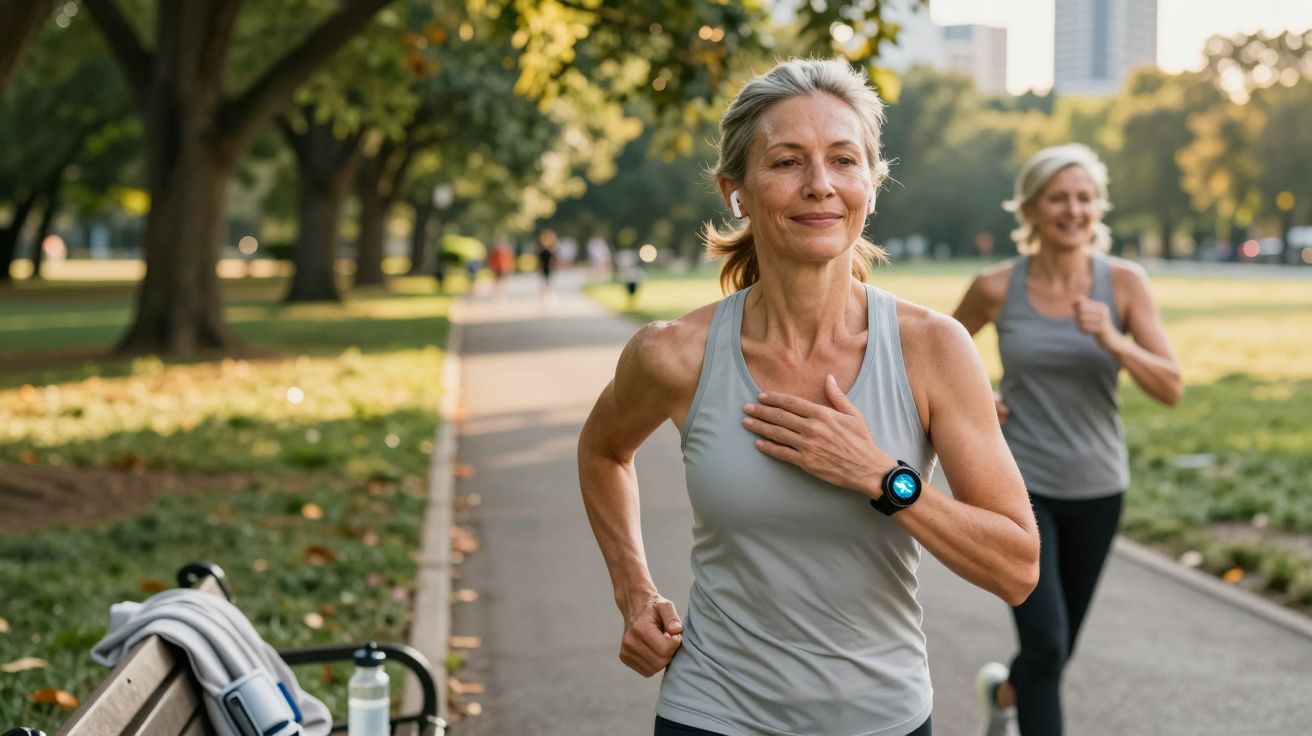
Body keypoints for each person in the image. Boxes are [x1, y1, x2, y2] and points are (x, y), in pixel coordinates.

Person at [577, 58, 1041, 736]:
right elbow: (601, 451)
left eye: (843, 160)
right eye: (788, 162)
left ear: (872, 185)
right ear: (737, 189)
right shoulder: (673, 352)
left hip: (881, 717)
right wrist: (633, 590)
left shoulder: (933, 349)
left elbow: (1017, 566)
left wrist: (881, 476)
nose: (820, 186)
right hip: (712, 711)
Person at [952, 143, 1182, 736]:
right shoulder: (996, 287)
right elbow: (934, 356)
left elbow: (1171, 387)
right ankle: (1017, 696)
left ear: (1098, 207)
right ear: (1029, 208)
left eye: (1084, 197)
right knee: (1048, 644)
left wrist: (1117, 342)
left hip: (1100, 487)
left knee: (1055, 650)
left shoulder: (1124, 284)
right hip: (1020, 487)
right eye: (1058, 197)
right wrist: (978, 398)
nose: (1073, 209)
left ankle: (1004, 691)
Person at [536, 228, 558, 302]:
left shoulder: (548, 252)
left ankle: (547, 296)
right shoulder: (543, 252)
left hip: (548, 268)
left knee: (548, 283)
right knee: (545, 283)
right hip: (544, 268)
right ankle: (544, 296)